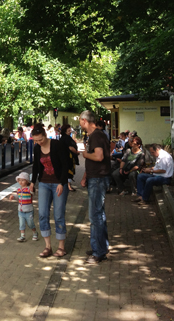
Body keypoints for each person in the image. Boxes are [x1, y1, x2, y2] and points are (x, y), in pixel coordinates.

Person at [30, 123, 70, 258]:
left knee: (58, 214)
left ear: (45, 135)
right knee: (42, 213)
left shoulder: (57, 145)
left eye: (40, 139)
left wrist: (62, 182)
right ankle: (48, 246)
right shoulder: (37, 148)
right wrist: (32, 182)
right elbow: (36, 166)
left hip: (58, 184)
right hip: (44, 184)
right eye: (36, 140)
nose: (39, 142)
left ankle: (61, 247)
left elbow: (66, 165)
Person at [79, 110, 111, 264]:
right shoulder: (99, 135)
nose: (79, 123)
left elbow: (98, 156)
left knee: (95, 216)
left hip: (97, 179)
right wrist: (85, 176)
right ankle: (101, 247)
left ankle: (98, 252)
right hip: (97, 178)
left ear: (84, 120)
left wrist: (85, 155)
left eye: (80, 120)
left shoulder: (96, 136)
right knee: (100, 215)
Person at [9, 172, 39, 242]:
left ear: (27, 181)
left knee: (30, 223)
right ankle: (22, 236)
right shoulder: (19, 189)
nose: (21, 182)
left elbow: (33, 192)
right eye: (19, 180)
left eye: (23, 180)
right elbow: (18, 196)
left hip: (29, 211)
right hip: (21, 210)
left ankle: (35, 233)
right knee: (21, 224)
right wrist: (13, 196)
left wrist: (32, 188)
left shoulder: (29, 189)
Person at [59, 124, 79, 192]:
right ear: (65, 131)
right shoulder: (67, 138)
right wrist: (76, 152)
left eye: (70, 130)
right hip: (68, 157)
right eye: (68, 131)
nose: (70, 132)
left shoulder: (63, 137)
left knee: (68, 170)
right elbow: (70, 147)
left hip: (66, 157)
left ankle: (68, 185)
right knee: (69, 170)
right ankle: (68, 185)